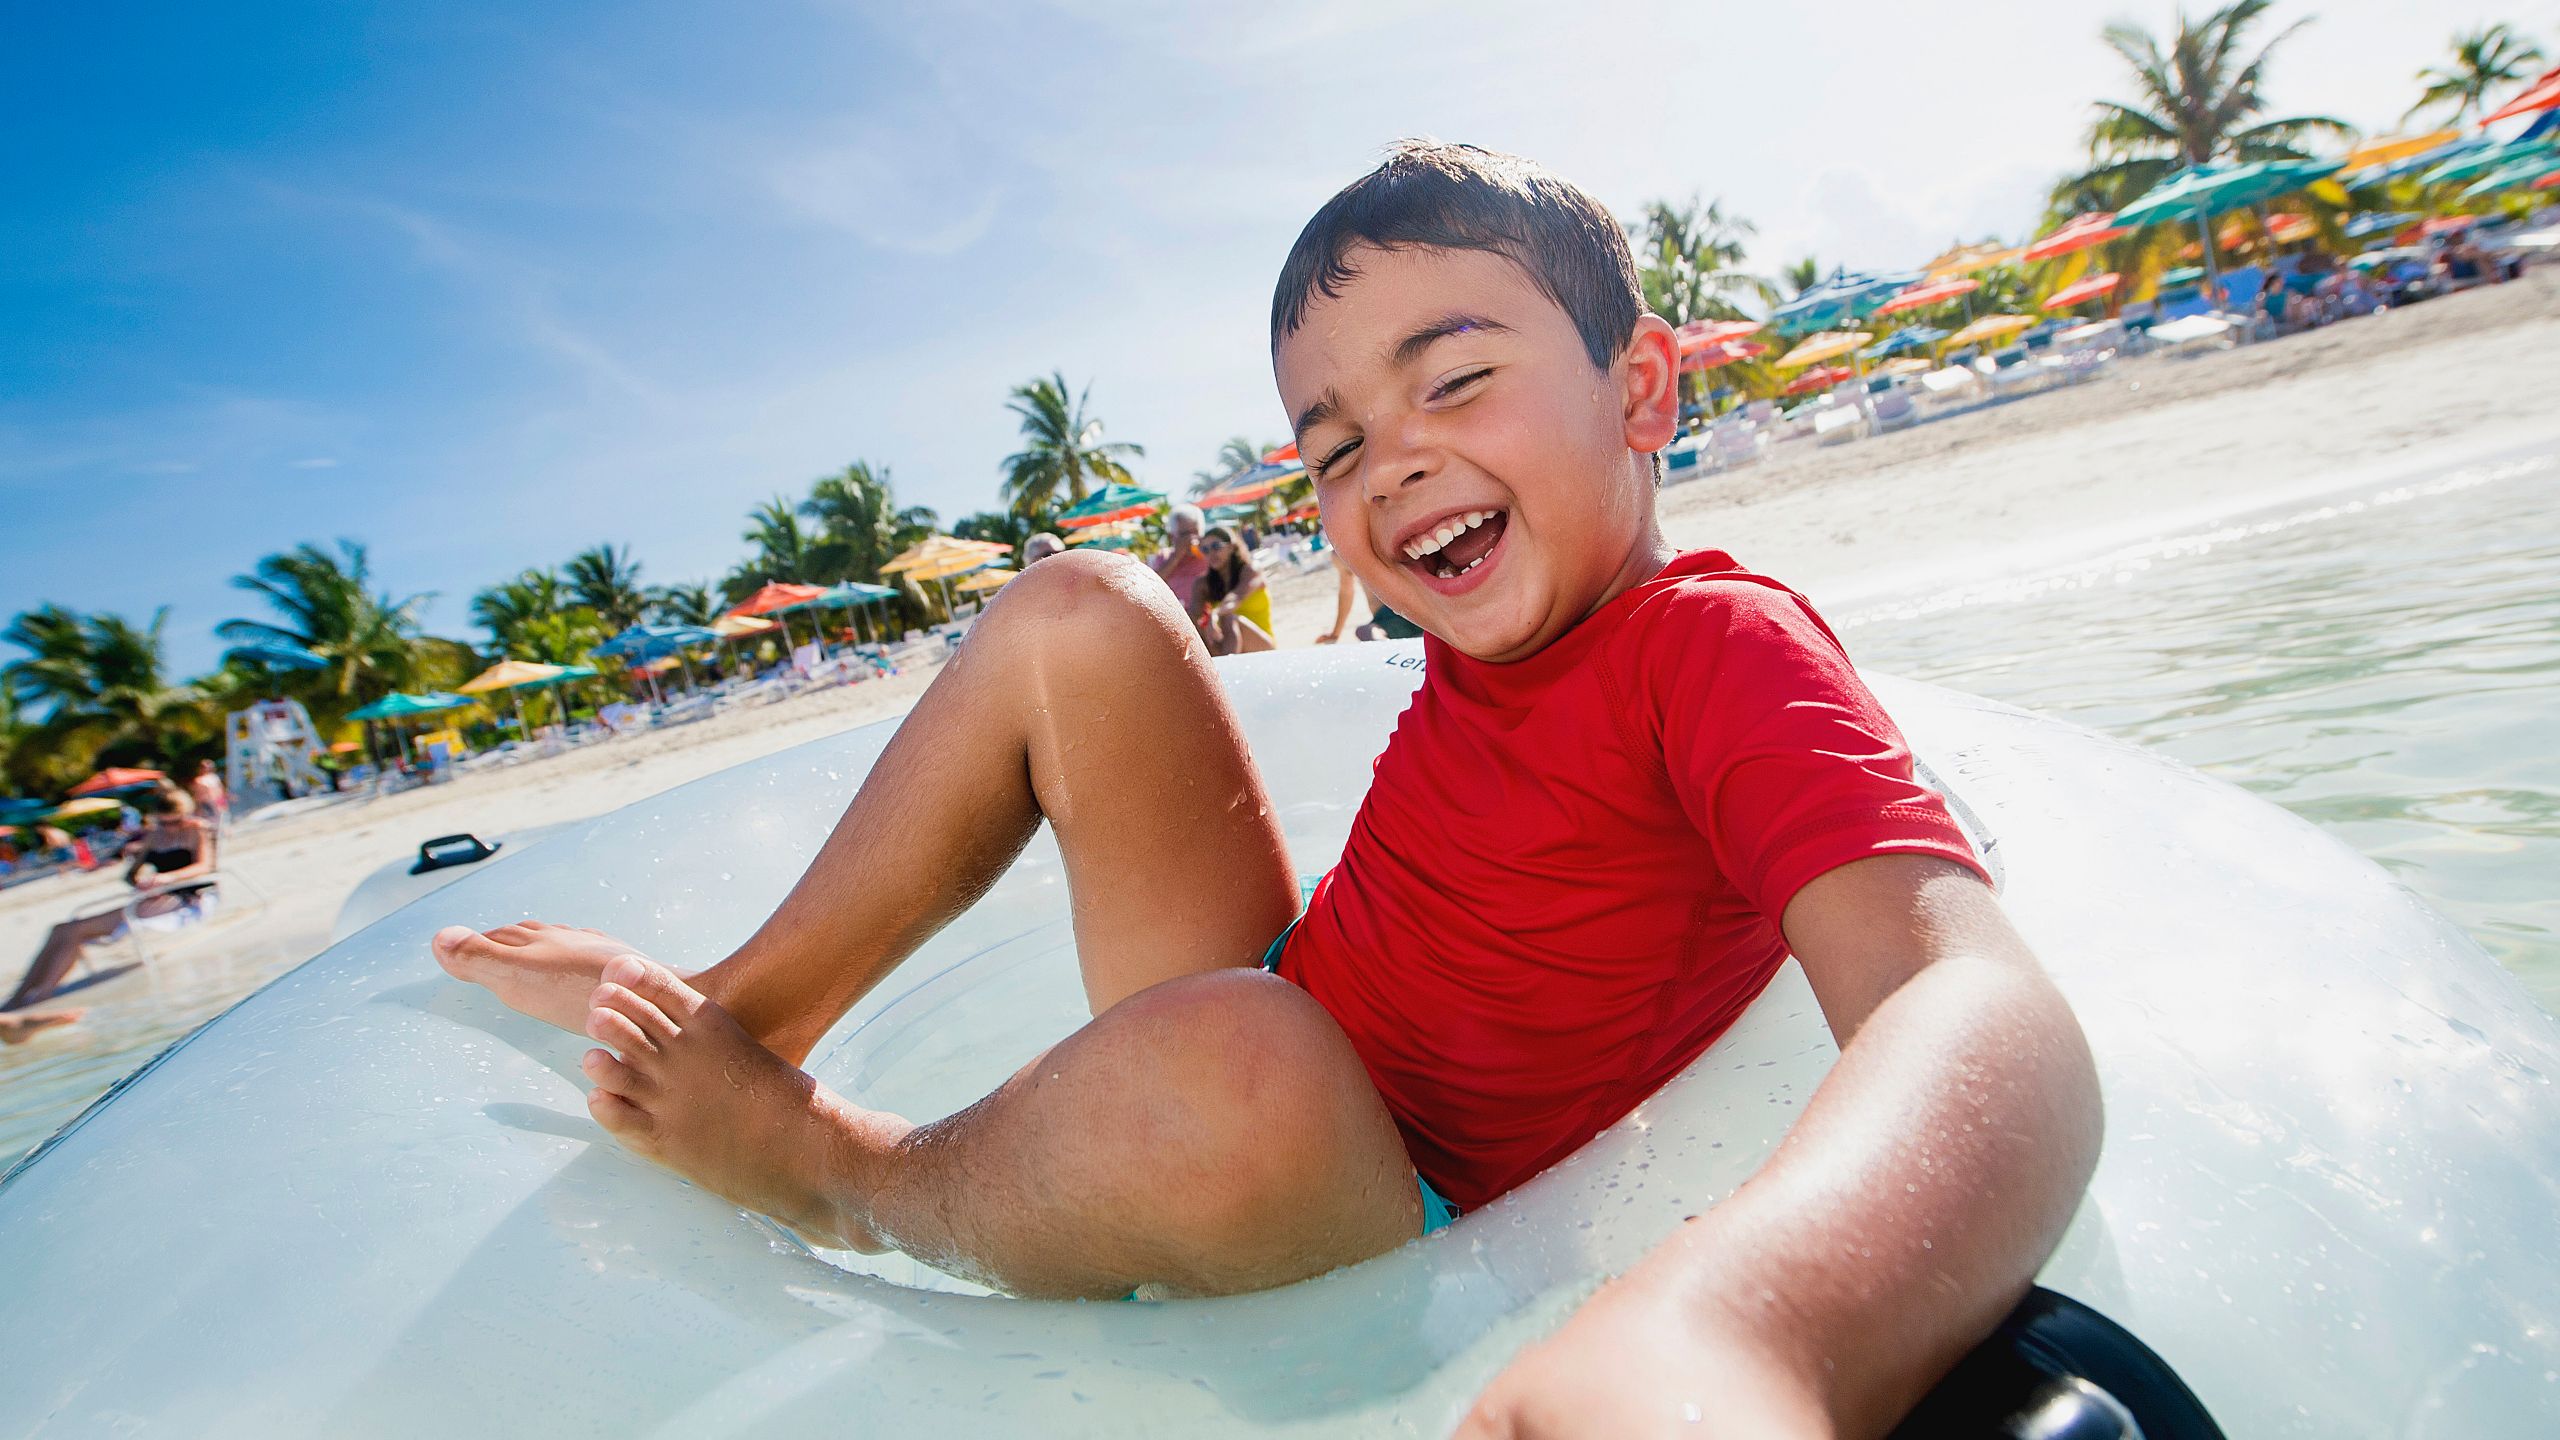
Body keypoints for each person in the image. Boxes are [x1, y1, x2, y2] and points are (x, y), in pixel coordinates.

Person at [430, 141, 2099, 1431]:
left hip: (1375, 1204)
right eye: (1335, 448)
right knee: (1081, 613)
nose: (1399, 463)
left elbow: (1976, 1010)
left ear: (1643, 388)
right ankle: (737, 1016)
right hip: (1283, 1011)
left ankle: (837, 1170)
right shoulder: (1503, 633)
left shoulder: (1714, 650)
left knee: (1241, 1062)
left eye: (1454, 382)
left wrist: (1747, 1326)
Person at [6, 790, 216, 1013]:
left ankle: (39, 997)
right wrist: (141, 881)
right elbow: (130, 874)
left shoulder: (197, 830)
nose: (170, 827)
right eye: (164, 823)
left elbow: (205, 866)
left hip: (183, 898)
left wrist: (167, 878)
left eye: (175, 821)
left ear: (185, 814)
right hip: (151, 898)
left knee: (72, 932)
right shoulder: (155, 835)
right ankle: (18, 998)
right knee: (60, 930)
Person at [1191, 526, 1276, 655]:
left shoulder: (1251, 570)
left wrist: (1215, 614)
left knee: (1229, 618)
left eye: (1216, 546)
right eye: (1205, 550)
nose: (1211, 554)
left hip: (1262, 647)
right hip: (1227, 644)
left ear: (1231, 547)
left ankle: (1227, 670)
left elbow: (1235, 598)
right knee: (1197, 629)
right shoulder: (1203, 583)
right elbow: (1193, 616)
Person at [1147, 503, 1211, 609]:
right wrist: (1176, 557)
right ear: (1172, 536)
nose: (1191, 538)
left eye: (1195, 532)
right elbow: (1153, 585)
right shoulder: (1164, 556)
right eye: (1185, 534)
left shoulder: (1210, 554)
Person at [190, 759, 230, 831]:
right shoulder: (199, 780)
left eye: (208, 766)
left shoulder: (214, 777)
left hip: (217, 801)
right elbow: (197, 795)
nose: (206, 769)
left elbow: (220, 789)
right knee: (210, 823)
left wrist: (224, 798)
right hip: (206, 804)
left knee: (221, 819)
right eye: (204, 767)